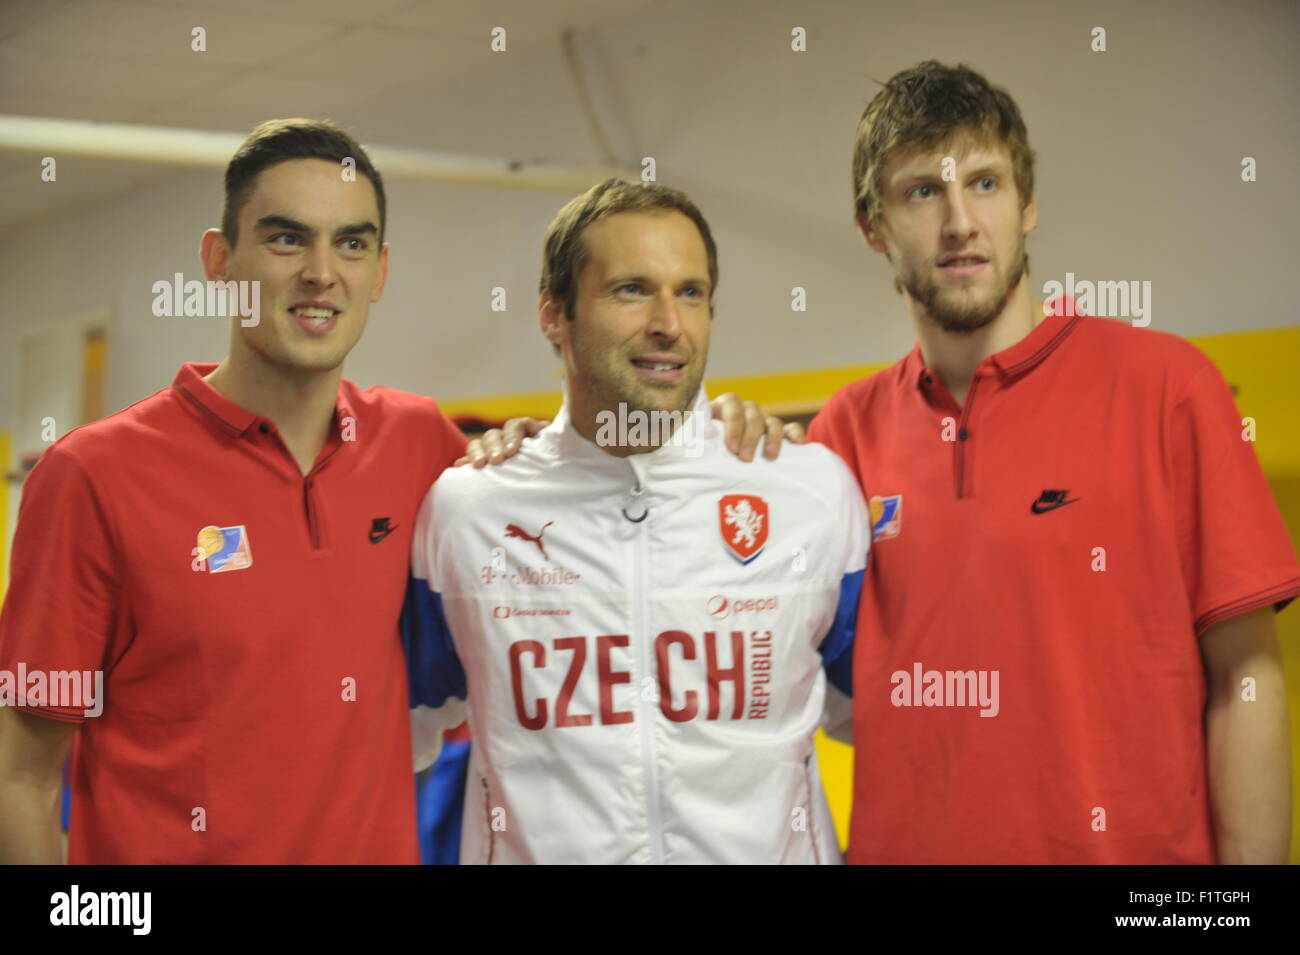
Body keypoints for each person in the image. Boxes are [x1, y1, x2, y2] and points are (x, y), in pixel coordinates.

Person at [0, 118, 781, 864]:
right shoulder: (94, 475)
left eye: (351, 242)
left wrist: (717, 436)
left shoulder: (422, 449)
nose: (320, 272)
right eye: (284, 238)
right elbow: (20, 776)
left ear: (379, 270)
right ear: (218, 262)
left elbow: (583, 473)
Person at [808, 60, 1300, 863]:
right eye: (923, 193)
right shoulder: (840, 436)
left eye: (986, 183)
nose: (961, 221)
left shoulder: (1170, 387)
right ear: (874, 226)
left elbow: (1247, 682)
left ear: (1028, 203)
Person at [402, 178, 868, 864]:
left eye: (691, 291)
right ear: (554, 314)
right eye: (631, 289)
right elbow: (401, 734)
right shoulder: (468, 512)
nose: (668, 323)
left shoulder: (810, 493)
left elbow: (874, 719)